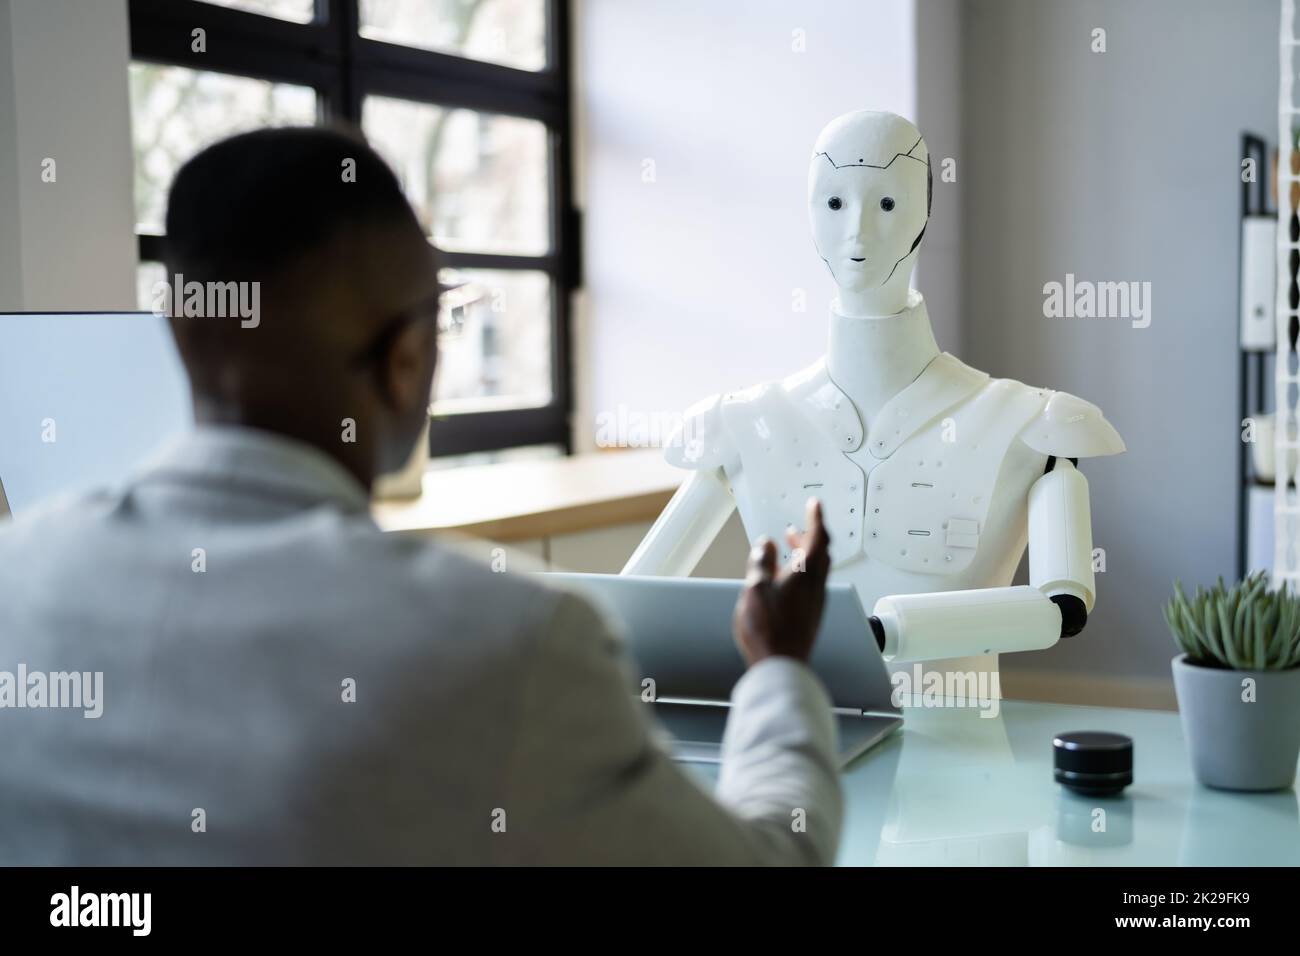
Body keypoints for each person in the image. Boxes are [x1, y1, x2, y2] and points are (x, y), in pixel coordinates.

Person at [0, 127, 842, 865]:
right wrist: (778, 672)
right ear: (406, 359)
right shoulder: (511, 645)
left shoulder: (18, 580)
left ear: (182, 332)